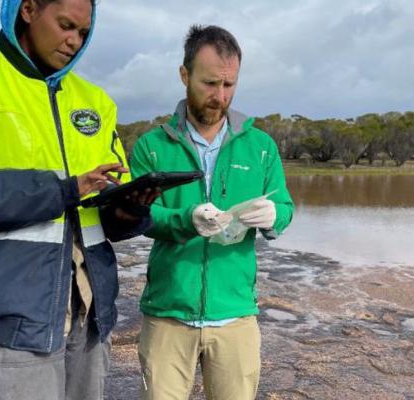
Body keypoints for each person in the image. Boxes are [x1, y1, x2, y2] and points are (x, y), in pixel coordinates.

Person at [0, 0, 154, 399]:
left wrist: (130, 210)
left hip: (90, 311)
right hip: (13, 310)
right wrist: (66, 189)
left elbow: (103, 212)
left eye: (84, 33)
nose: (74, 41)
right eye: (65, 25)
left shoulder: (96, 101)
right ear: (28, 10)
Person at [130, 25, 294, 400]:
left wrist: (274, 216)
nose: (219, 96)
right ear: (184, 75)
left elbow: (285, 206)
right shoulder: (152, 146)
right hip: (167, 314)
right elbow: (139, 216)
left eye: (229, 85)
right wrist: (186, 219)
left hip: (236, 315)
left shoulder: (262, 147)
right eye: (209, 84)